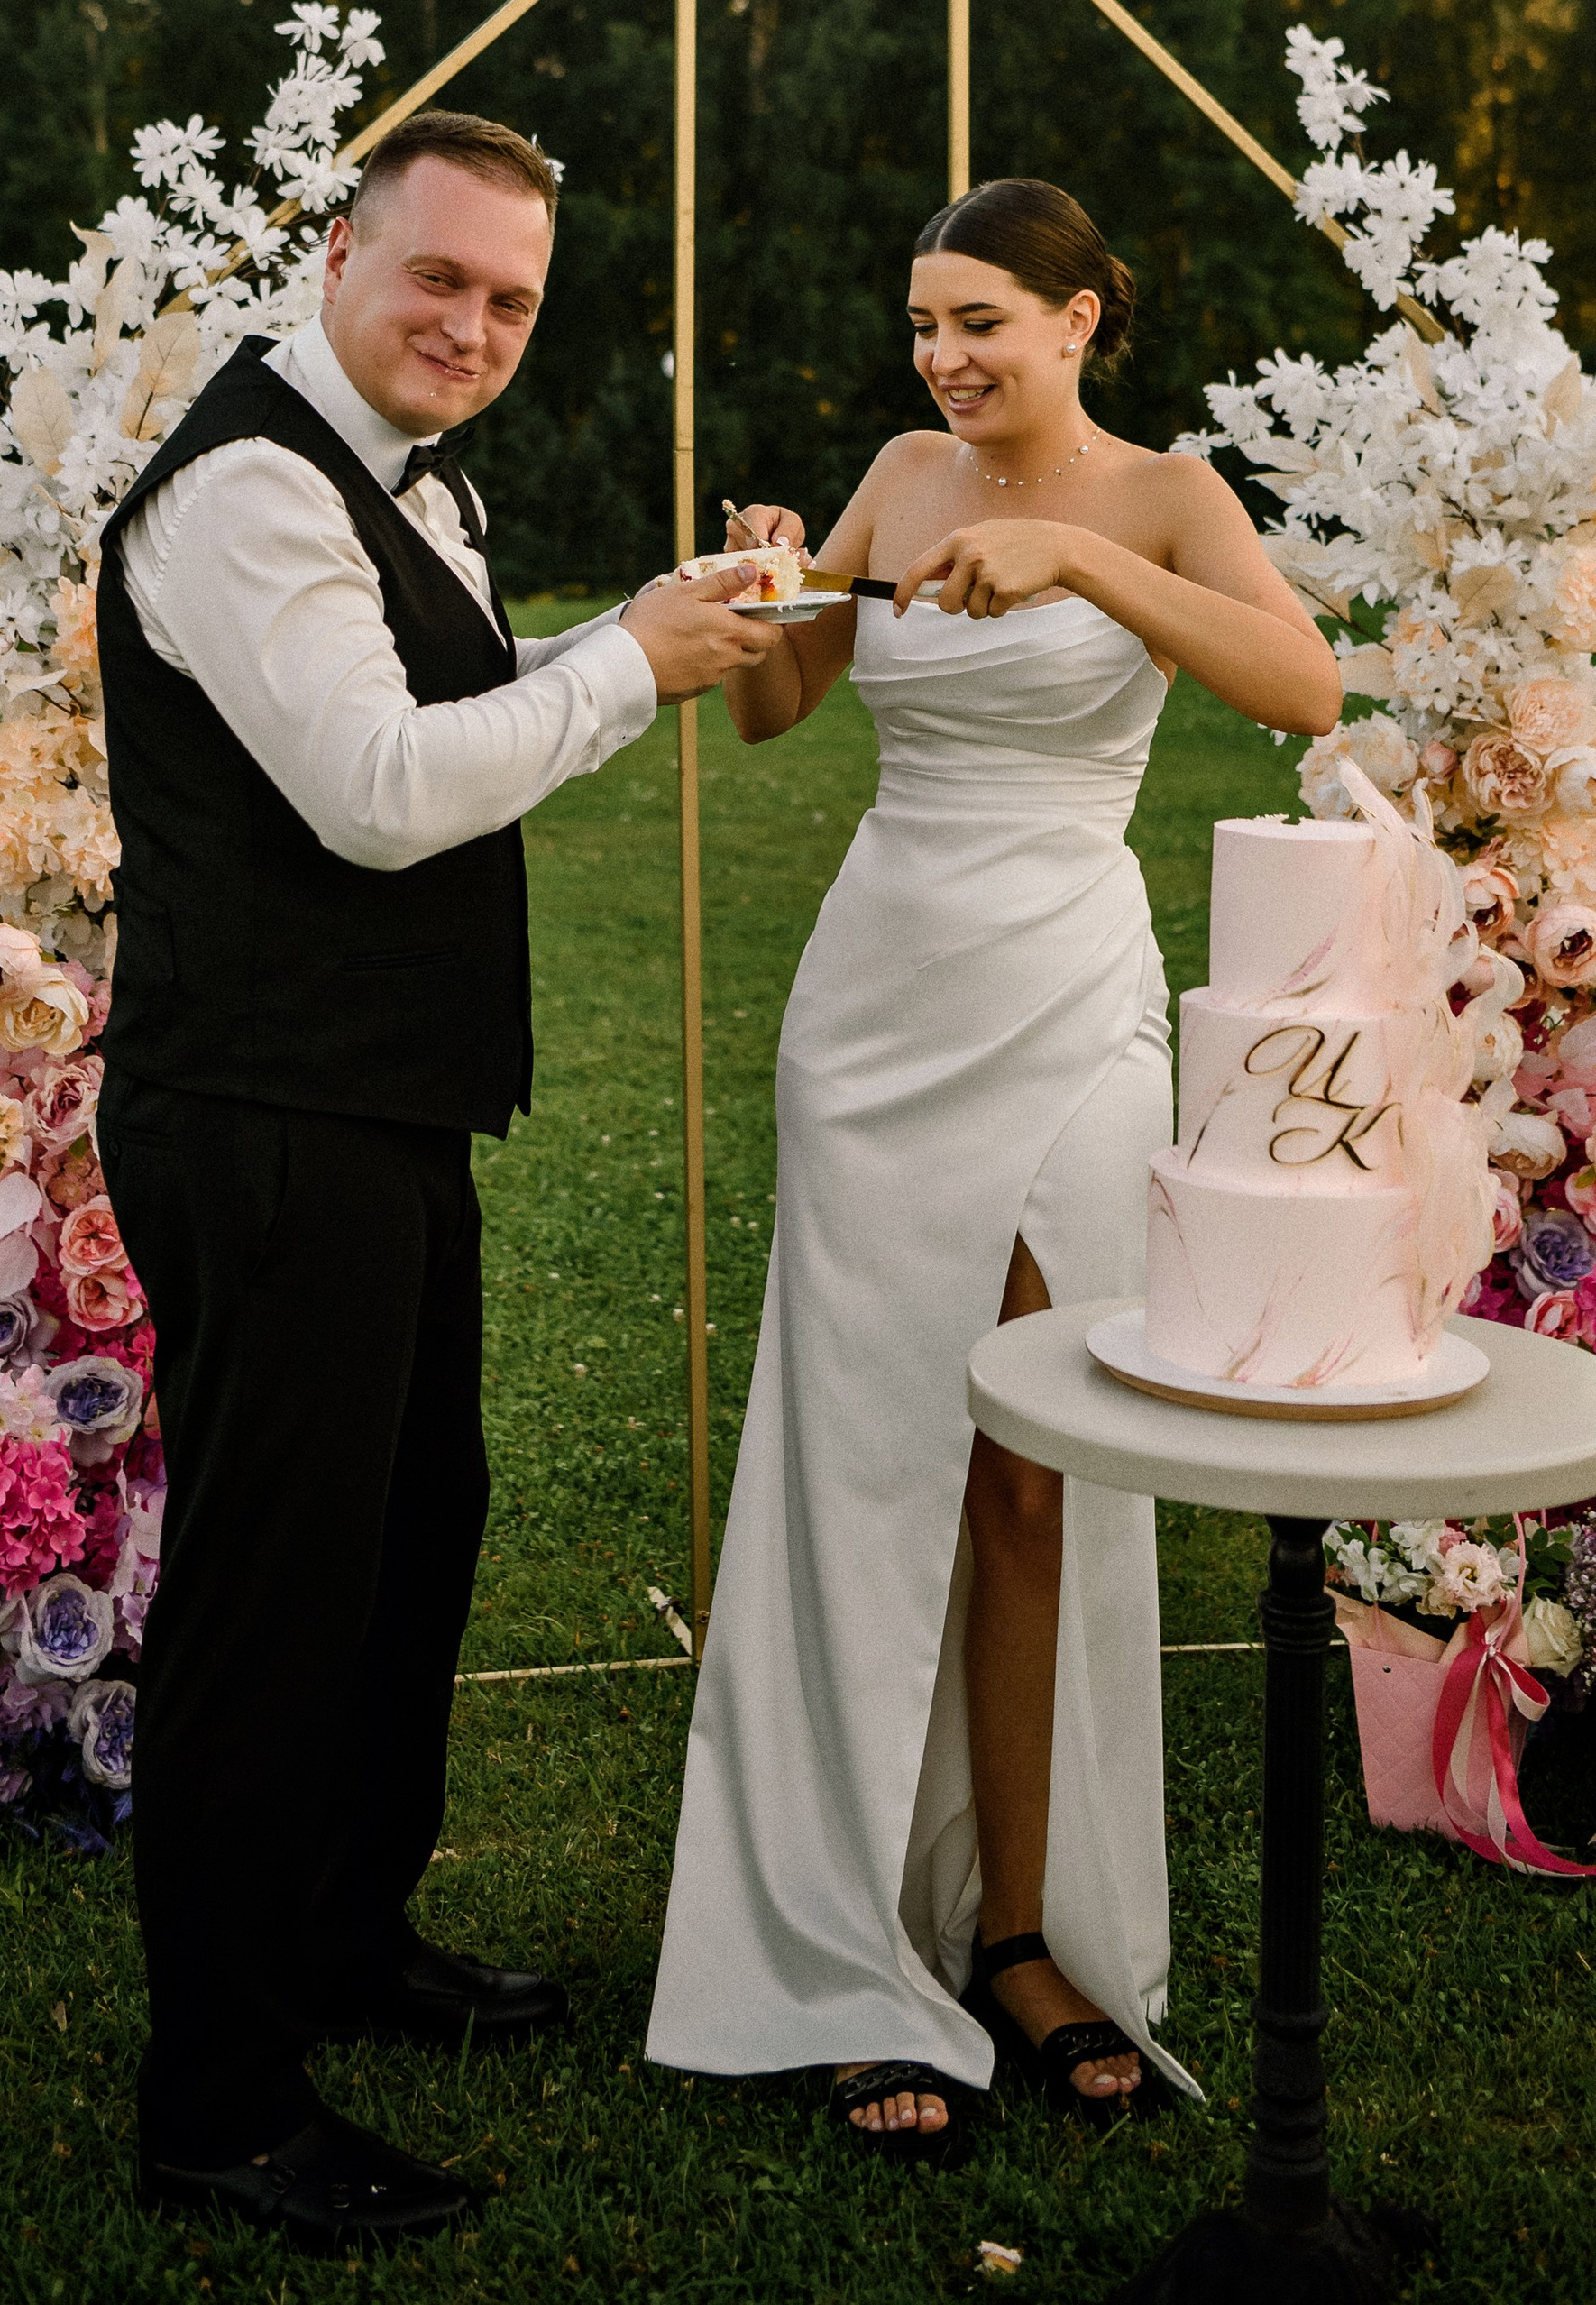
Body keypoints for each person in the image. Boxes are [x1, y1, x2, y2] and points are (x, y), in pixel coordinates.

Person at [95, 110, 780, 2253]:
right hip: (264, 1115)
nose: (471, 326)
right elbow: (381, 791)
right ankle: (218, 2093)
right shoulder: (241, 493)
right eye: (437, 280)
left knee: (411, 1531)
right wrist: (632, 664)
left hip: (381, 1106)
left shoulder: (419, 485)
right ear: (336, 253)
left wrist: (622, 636)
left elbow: (439, 696)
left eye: (509, 301)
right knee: (274, 1595)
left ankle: (340, 1939)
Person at [647, 177, 1341, 2161]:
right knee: (863, 1458)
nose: (946, 359)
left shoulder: (1164, 495)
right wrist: (779, 578)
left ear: (1080, 322)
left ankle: (1022, 1929)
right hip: (874, 1009)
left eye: (981, 323)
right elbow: (783, 713)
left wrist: (1072, 559)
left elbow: (1300, 689)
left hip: (1066, 1002)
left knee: (1033, 1464)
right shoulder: (893, 468)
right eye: (924, 326)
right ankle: (836, 1940)